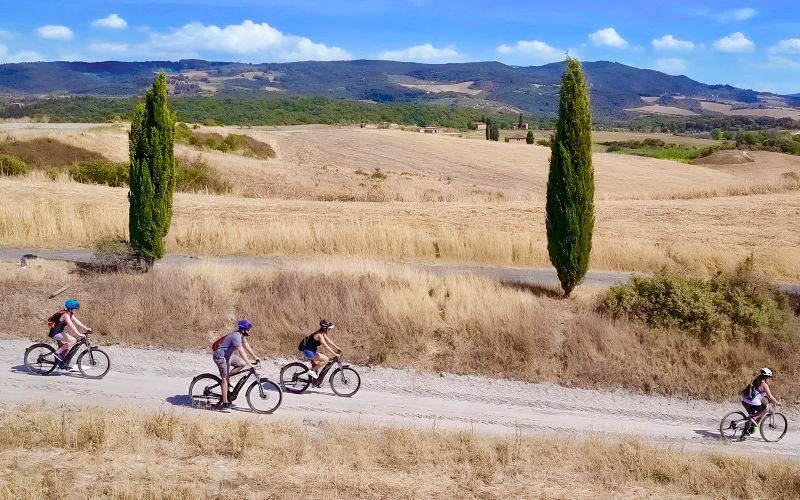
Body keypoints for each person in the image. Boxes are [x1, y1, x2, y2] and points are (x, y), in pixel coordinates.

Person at [212, 320, 260, 410]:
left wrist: (255, 356)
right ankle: (225, 403)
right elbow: (241, 351)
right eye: (248, 329)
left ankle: (228, 377)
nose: (249, 331)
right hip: (220, 357)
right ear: (243, 330)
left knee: (242, 363)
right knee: (224, 379)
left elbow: (247, 346)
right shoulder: (236, 336)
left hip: (229, 356)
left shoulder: (241, 336)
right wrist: (250, 364)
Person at [48, 299, 91, 372]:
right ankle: (57, 353)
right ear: (71, 308)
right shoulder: (65, 315)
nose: (76, 310)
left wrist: (86, 328)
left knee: (67, 348)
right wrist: (79, 334)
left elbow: (77, 322)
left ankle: (59, 363)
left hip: (60, 332)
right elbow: (72, 326)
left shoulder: (70, 314)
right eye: (75, 308)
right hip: (55, 333)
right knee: (73, 340)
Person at [740, 367, 780, 438]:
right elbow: (770, 396)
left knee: (750, 415)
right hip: (752, 402)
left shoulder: (756, 380)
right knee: (766, 409)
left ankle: (747, 430)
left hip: (744, 400)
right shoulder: (764, 385)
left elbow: (758, 393)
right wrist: (777, 402)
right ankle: (754, 418)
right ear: (767, 377)